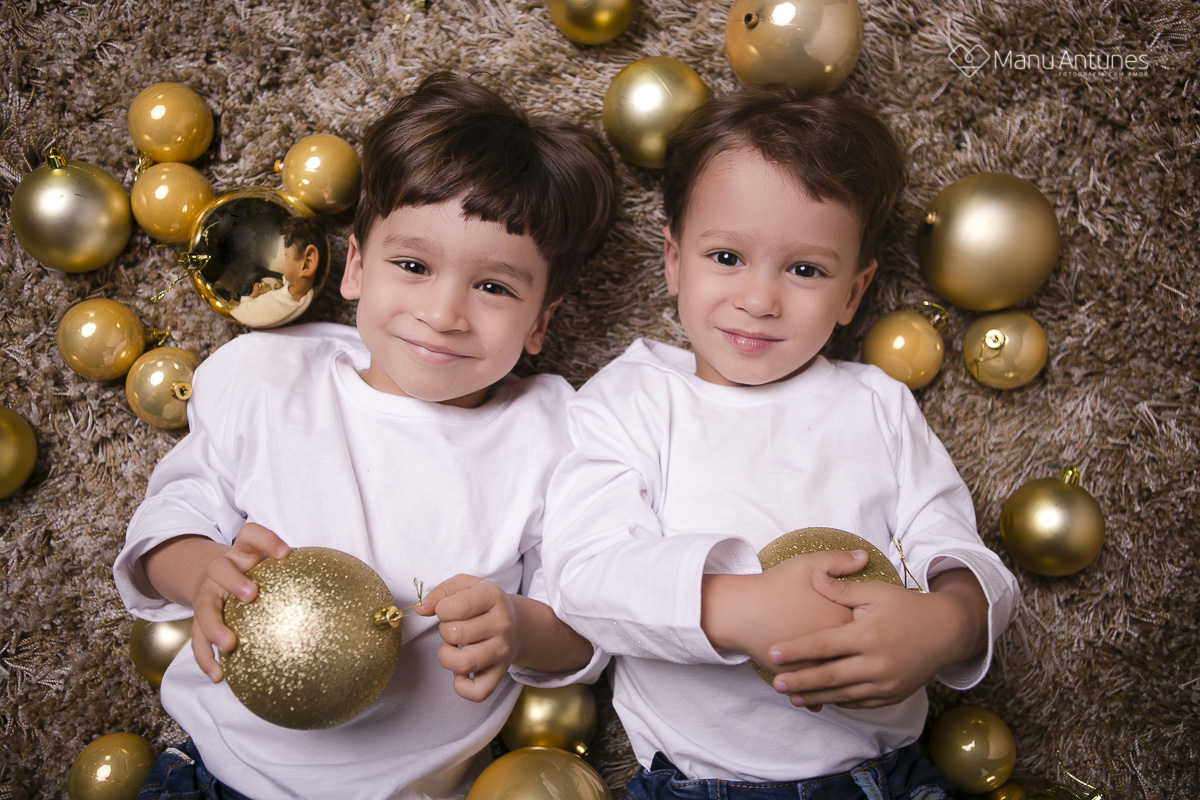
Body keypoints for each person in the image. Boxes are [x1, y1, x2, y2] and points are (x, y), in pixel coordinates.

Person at [113, 71, 616, 800]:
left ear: (541, 321)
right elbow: (166, 525)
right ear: (354, 266)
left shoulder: (551, 434)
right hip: (218, 774)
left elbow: (586, 626)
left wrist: (517, 625)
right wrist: (200, 570)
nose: (444, 313)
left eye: (495, 288)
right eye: (412, 266)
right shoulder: (274, 381)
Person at [541, 86, 1020, 800]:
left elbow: (952, 542)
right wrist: (735, 608)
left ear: (853, 294)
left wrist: (946, 623)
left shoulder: (874, 404)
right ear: (675, 262)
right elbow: (584, 574)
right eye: (727, 256)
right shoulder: (633, 398)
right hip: (697, 784)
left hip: (877, 778)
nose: (760, 299)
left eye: (805, 270)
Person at [230, 215, 324, 328]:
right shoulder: (298, 290)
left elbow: (240, 313)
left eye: (286, 257)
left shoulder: (272, 308)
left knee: (251, 279)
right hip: (276, 287)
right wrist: (279, 288)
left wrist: (253, 295)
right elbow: (287, 282)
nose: (284, 263)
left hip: (250, 301)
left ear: (307, 264)